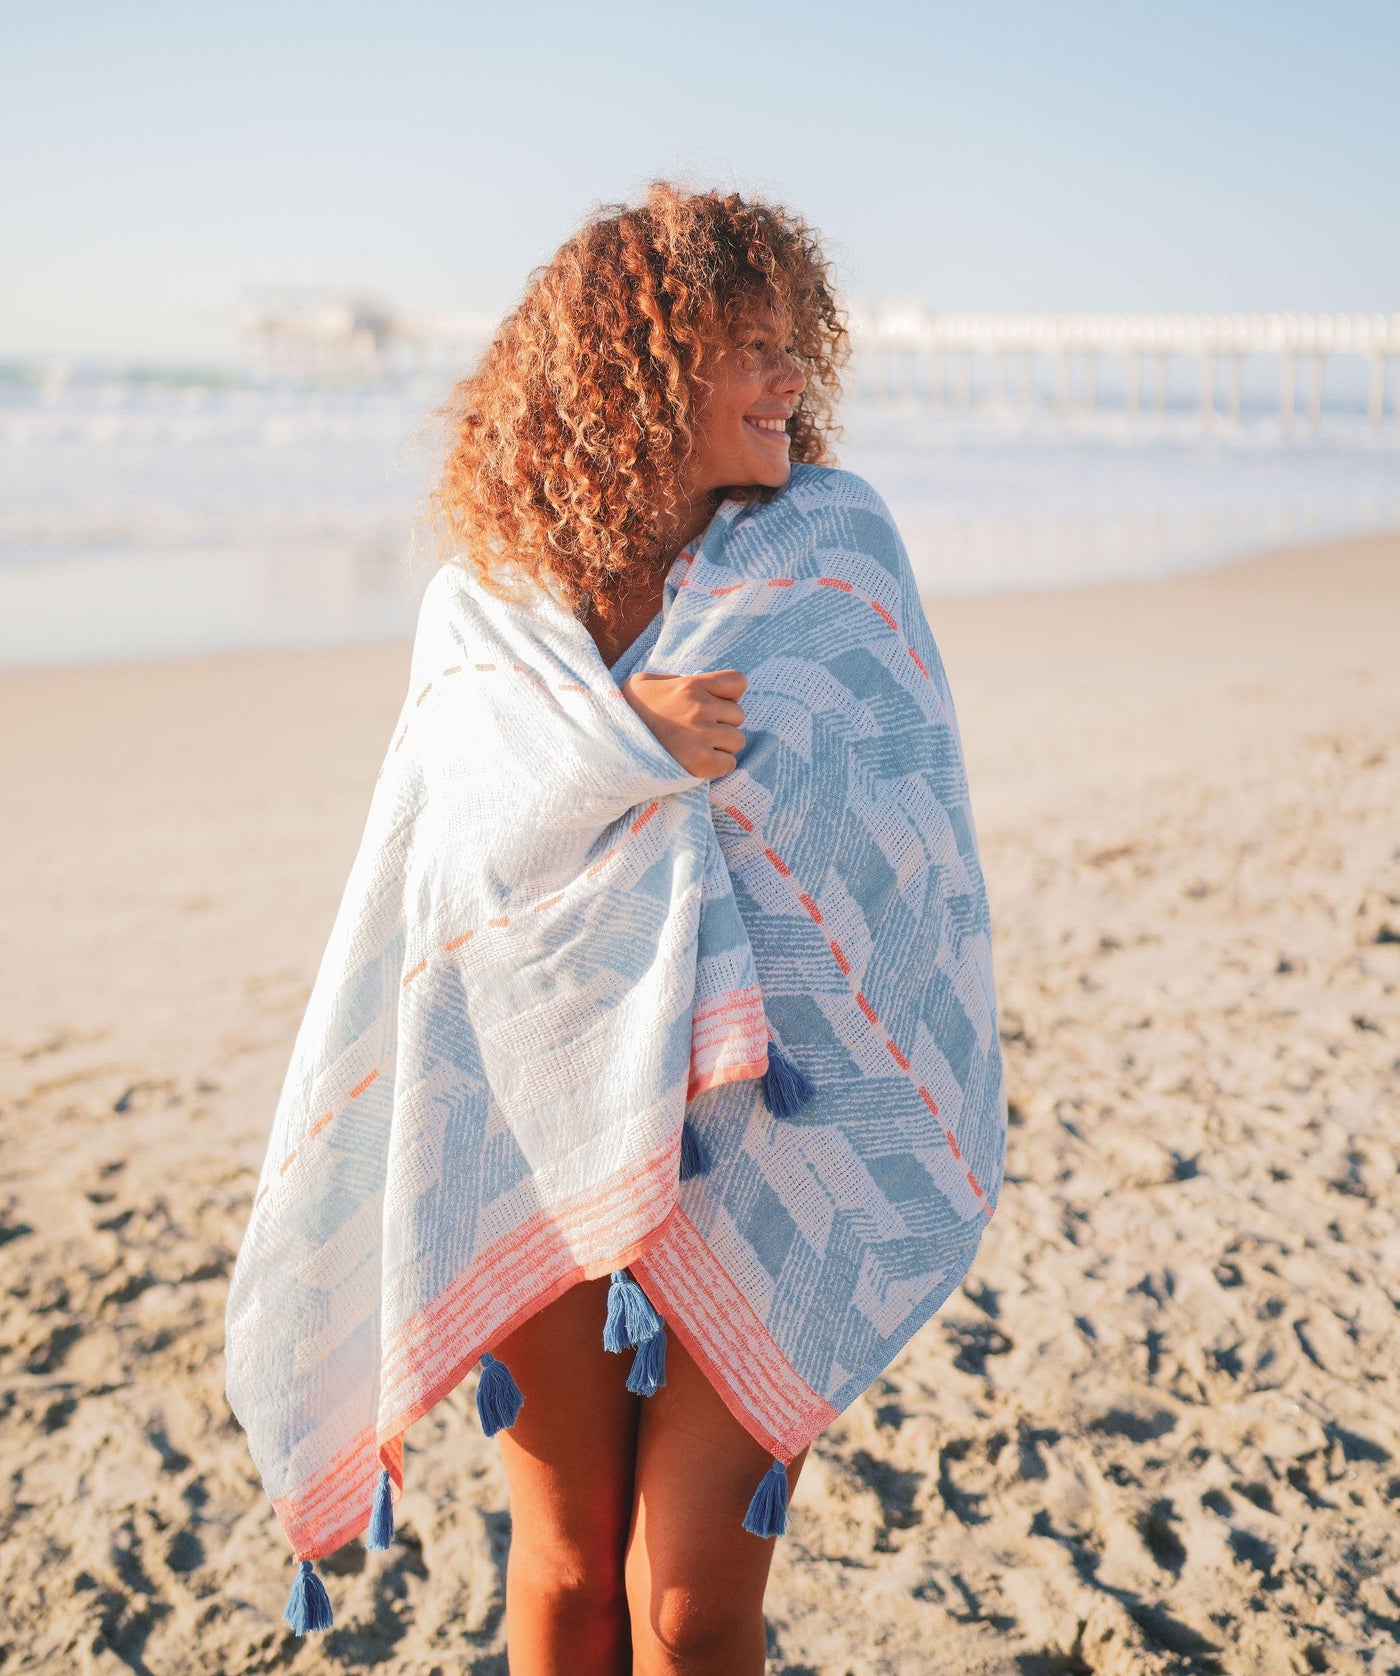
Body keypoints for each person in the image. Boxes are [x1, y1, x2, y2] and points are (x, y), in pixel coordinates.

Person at [433, 182, 844, 1674]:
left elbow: (885, 831)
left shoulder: (823, 565)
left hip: (759, 1131)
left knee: (695, 1604)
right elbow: (449, 864)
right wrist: (623, 737)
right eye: (749, 343)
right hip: (530, 1113)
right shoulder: (489, 605)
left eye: (794, 341)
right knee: (565, 1579)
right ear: (642, 372)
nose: (790, 376)